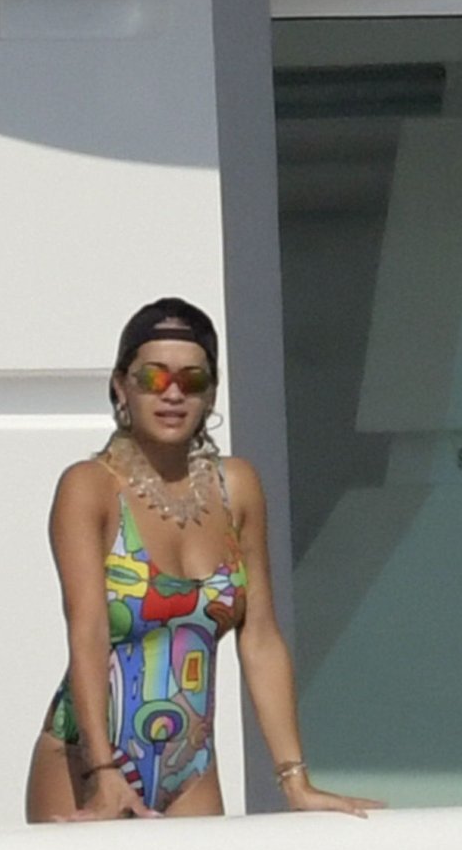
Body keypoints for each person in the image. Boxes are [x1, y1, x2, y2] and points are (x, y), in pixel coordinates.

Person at [24, 297, 381, 821]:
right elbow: (89, 632)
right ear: (121, 387)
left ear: (210, 393)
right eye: (153, 377)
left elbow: (260, 638)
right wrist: (103, 772)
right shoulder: (91, 488)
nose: (172, 393)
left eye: (192, 380)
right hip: (83, 761)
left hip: (188, 768)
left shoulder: (236, 488)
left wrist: (295, 780)